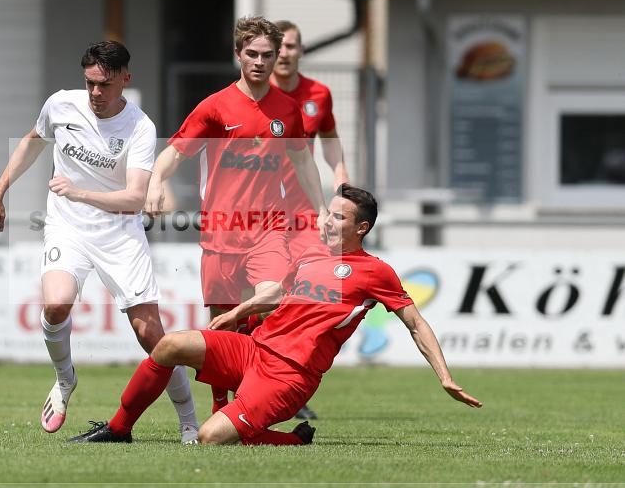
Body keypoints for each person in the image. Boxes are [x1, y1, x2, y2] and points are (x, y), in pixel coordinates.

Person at [69, 184, 482, 445]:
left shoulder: (375, 272)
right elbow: (280, 292)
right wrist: (240, 313)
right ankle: (118, 429)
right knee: (170, 344)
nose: (327, 222)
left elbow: (415, 321)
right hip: (254, 350)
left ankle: (292, 441)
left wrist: (444, 376)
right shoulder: (312, 255)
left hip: (290, 376)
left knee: (212, 439)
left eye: (339, 217)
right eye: (328, 213)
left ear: (363, 228)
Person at [0, 41, 200, 444]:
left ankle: (189, 421)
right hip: (68, 228)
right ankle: (65, 381)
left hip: (119, 234)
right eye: (90, 84)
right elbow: (32, 141)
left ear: (125, 80)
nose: (96, 93)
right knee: (56, 303)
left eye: (106, 85)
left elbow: (135, 198)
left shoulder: (140, 127)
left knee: (152, 336)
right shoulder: (62, 105)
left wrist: (79, 193)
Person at [143, 16, 329, 415]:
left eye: (268, 54)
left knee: (273, 301)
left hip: (269, 229)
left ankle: (268, 391)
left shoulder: (288, 110)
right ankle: (221, 407)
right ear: (238, 54)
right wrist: (156, 182)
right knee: (222, 324)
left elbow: (303, 163)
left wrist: (323, 210)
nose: (260, 61)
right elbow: (175, 151)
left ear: (277, 56)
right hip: (222, 231)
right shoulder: (215, 107)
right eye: (252, 54)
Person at [271, 19, 350, 420]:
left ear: (302, 51)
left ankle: (290, 384)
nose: (285, 53)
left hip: (306, 211)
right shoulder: (254, 96)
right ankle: (254, 378)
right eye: (279, 46)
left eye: (292, 46)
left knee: (310, 293)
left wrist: (341, 181)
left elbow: (332, 144)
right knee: (261, 297)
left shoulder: (319, 94)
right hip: (261, 211)